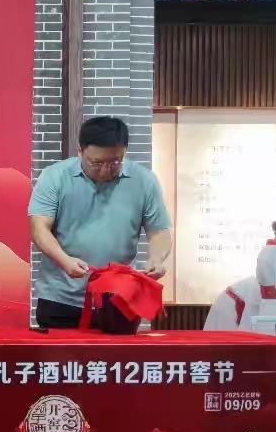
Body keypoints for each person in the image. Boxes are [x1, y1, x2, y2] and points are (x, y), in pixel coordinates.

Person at [29, 116, 171, 329]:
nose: (105, 169)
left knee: (118, 352)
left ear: (124, 151)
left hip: (118, 298)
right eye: (96, 163)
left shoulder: (144, 181)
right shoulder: (55, 177)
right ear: (80, 151)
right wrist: (64, 260)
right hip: (61, 297)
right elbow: (39, 228)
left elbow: (159, 231)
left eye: (115, 162)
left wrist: (156, 259)